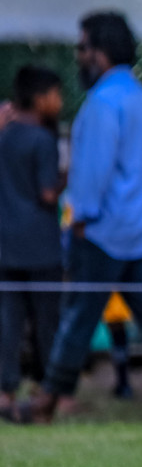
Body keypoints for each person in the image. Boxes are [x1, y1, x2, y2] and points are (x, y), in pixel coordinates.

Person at [8, 12, 142, 424]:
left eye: (82, 47)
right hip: (141, 230)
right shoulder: (140, 97)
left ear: (99, 53)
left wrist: (80, 217)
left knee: (78, 314)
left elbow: (92, 173)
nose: (78, 56)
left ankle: (48, 398)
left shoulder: (102, 102)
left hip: (102, 231)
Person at [0, 66, 65, 414]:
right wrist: (66, 178)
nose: (60, 102)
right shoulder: (43, 139)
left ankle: (5, 390)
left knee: (8, 321)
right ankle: (48, 390)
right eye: (56, 94)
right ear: (40, 99)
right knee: (46, 321)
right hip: (40, 248)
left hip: (5, 246)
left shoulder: (3, 134)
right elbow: (47, 194)